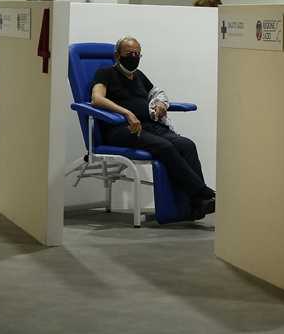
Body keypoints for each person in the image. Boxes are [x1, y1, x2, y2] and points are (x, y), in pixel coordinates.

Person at [90, 36, 216, 219]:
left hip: (148, 125)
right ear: (117, 55)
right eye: (129, 54)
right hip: (121, 129)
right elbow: (97, 99)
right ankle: (202, 194)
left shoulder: (139, 76)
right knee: (165, 147)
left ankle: (196, 205)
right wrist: (126, 113)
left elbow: (156, 94)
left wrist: (161, 104)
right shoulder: (105, 73)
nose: (134, 57)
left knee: (187, 144)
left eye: (137, 54)